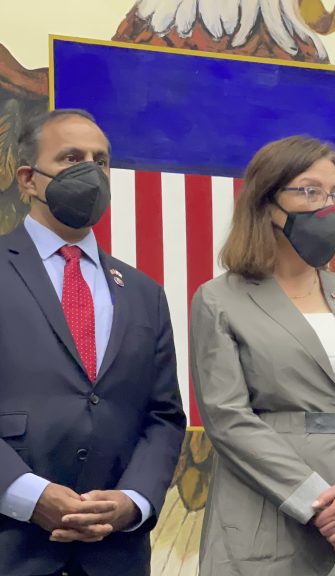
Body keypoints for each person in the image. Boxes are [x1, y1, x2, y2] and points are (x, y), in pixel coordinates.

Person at [190, 136, 335, 575]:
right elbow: (227, 419)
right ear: (267, 202)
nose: (327, 207)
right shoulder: (220, 300)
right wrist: (322, 506)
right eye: (310, 191)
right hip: (271, 518)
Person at [0, 109, 186, 575]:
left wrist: (133, 500)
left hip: (114, 555)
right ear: (28, 179)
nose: (91, 170)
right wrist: (27, 493)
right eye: (71, 158)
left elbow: (163, 416)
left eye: (100, 160)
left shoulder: (145, 293)